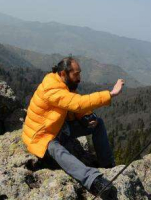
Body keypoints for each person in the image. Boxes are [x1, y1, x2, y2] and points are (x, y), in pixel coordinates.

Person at [22, 57, 124, 197]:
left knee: (98, 123)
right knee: (55, 149)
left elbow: (74, 104)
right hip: (42, 135)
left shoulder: (63, 84)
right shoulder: (51, 89)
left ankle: (107, 165)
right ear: (64, 73)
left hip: (59, 128)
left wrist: (87, 118)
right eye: (76, 74)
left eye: (79, 73)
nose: (79, 78)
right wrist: (111, 94)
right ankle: (94, 181)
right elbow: (78, 103)